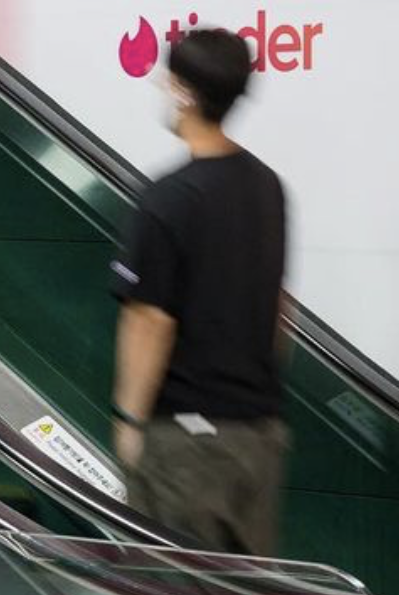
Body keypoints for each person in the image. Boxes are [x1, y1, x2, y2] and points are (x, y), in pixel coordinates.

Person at [109, 27, 290, 556]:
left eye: (167, 78)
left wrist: (129, 420)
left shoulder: (169, 198)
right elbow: (280, 307)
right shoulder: (267, 186)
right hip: (259, 434)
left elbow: (150, 320)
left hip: (186, 441)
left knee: (174, 577)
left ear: (184, 92)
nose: (161, 87)